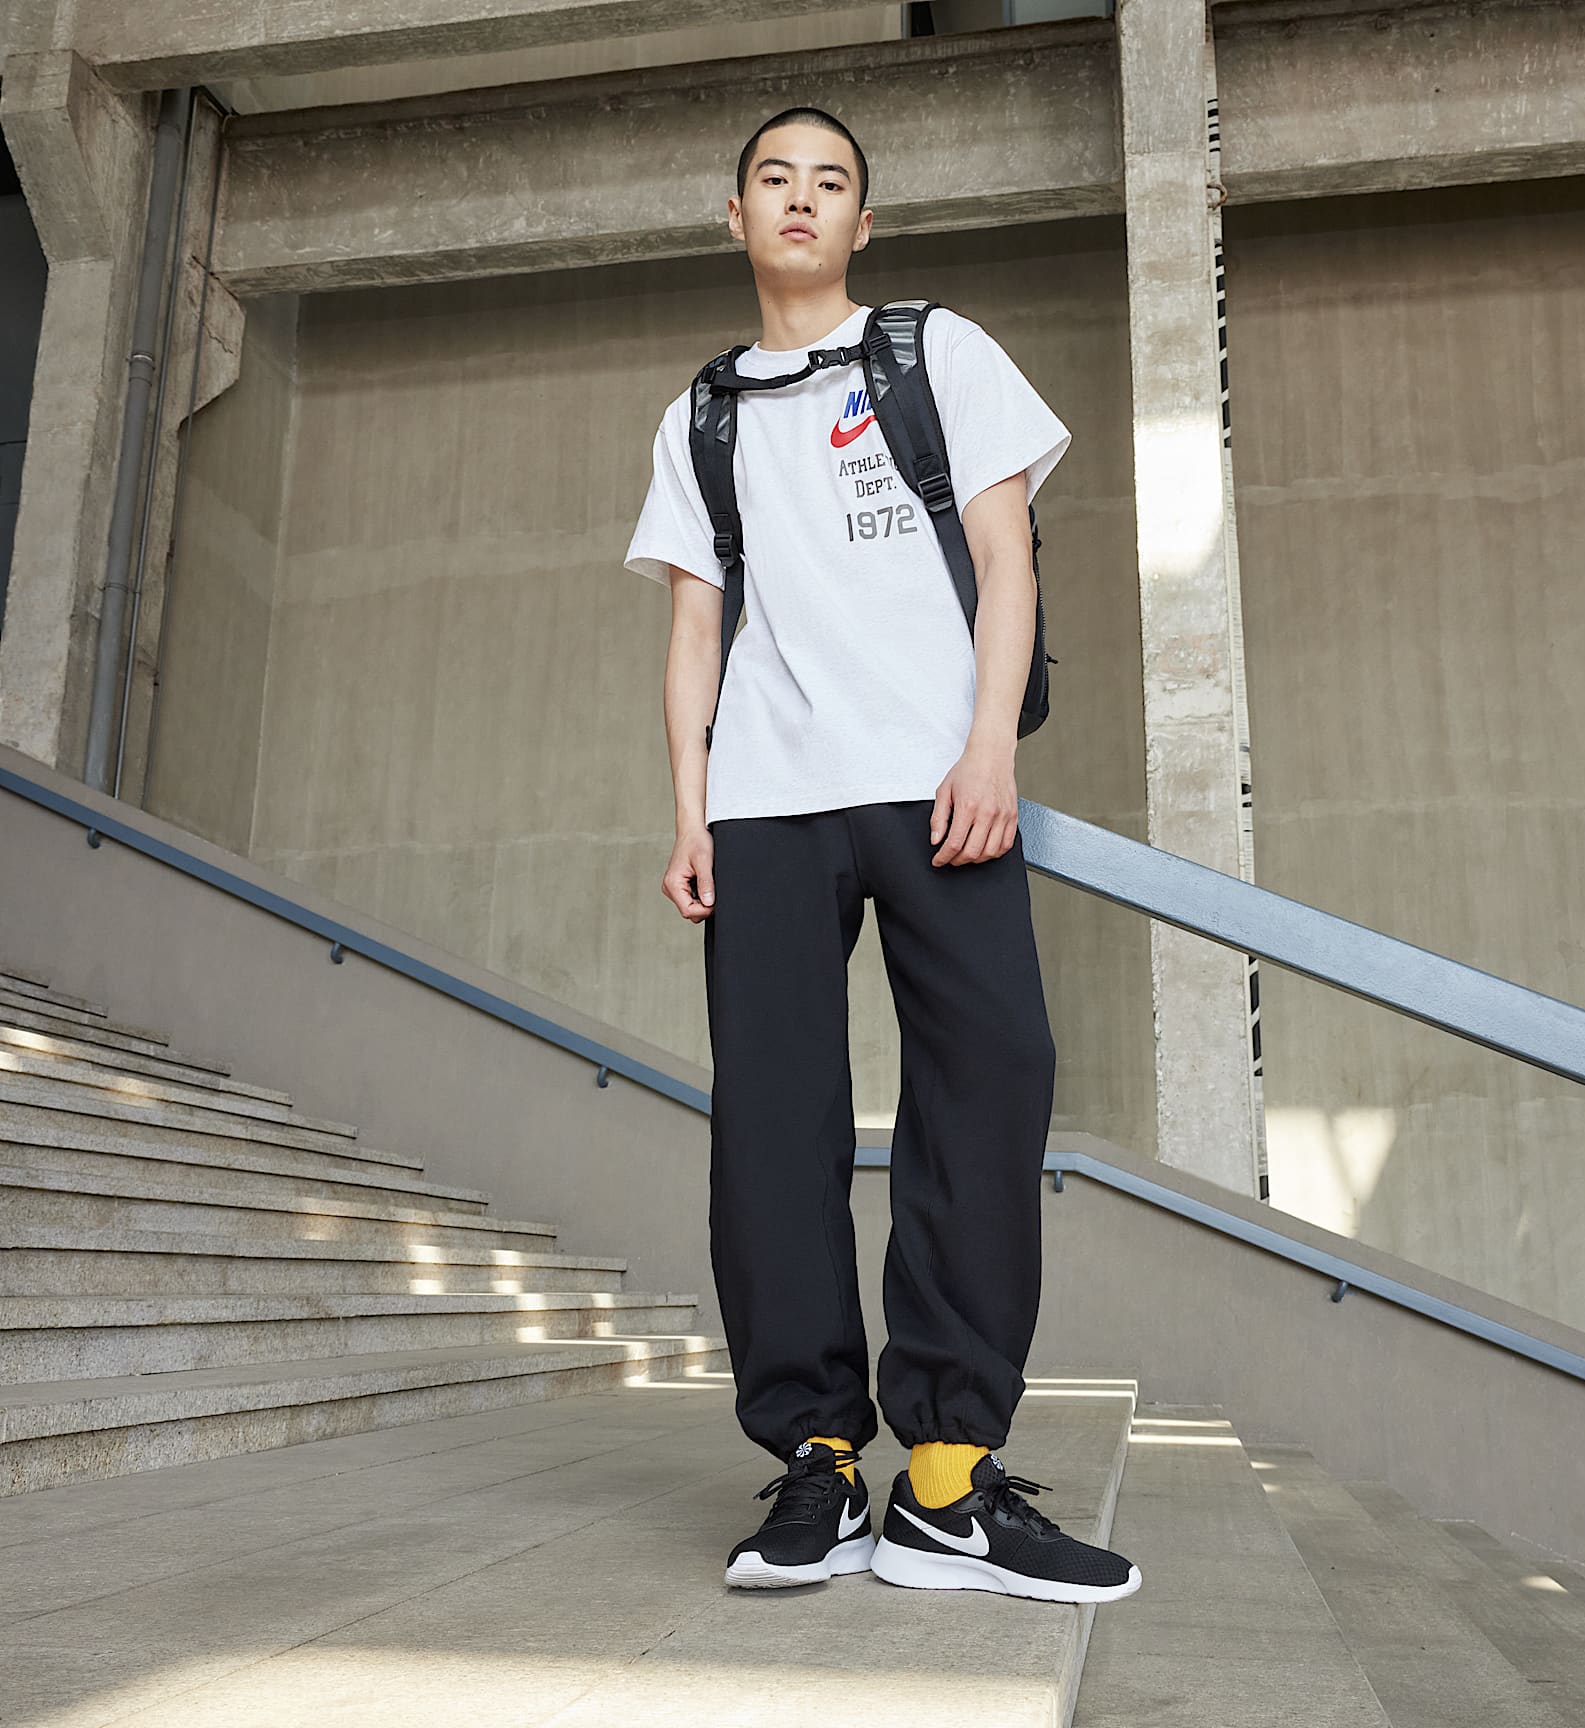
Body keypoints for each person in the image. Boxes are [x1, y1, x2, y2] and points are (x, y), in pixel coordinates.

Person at [622, 104, 1140, 1606]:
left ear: (865, 222)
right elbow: (695, 629)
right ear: (736, 216)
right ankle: (819, 1462)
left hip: (938, 789)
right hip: (768, 806)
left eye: (831, 181)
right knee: (772, 1129)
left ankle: (948, 1483)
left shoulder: (936, 355)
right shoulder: (702, 416)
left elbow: (1004, 562)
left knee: (990, 1084)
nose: (802, 199)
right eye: (774, 179)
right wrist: (689, 809)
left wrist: (991, 750)